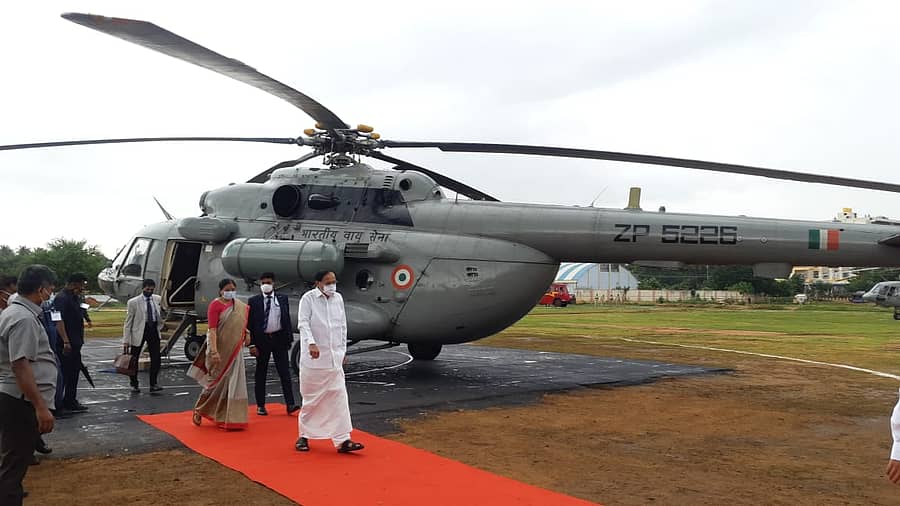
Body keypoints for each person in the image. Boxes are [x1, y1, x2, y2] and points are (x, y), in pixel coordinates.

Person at [0, 265, 58, 506]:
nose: (51, 293)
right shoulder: (23, 318)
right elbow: (20, 365)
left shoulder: (16, 312)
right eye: (50, 288)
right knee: (14, 465)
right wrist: (40, 407)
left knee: (13, 460)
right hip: (20, 400)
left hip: (16, 397)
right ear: (41, 289)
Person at [295, 271, 364, 453]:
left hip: (334, 359)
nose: (332, 285)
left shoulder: (338, 298)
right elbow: (303, 323)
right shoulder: (308, 299)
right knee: (312, 400)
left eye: (334, 282)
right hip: (314, 359)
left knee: (339, 399)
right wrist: (311, 343)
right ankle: (304, 436)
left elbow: (342, 326)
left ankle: (343, 440)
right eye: (328, 282)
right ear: (318, 283)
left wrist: (342, 350)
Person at [187, 278, 249, 430]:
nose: (230, 292)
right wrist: (214, 351)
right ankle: (199, 409)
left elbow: (241, 325)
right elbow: (212, 330)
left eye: (232, 289)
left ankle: (230, 418)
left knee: (233, 384)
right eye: (227, 290)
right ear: (220, 291)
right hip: (219, 350)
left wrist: (247, 333)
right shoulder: (215, 305)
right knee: (213, 383)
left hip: (235, 351)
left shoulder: (240, 306)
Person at [248, 272, 299, 416]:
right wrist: (251, 344)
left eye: (268, 282)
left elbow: (286, 320)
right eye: (263, 283)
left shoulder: (282, 299)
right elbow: (250, 324)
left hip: (279, 339)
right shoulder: (254, 301)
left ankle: (290, 404)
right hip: (262, 340)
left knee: (284, 372)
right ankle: (260, 405)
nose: (266, 285)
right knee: (261, 373)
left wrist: (289, 340)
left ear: (273, 283)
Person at [53, 273, 90, 413]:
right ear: (74, 283)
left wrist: (87, 318)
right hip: (66, 343)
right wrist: (65, 341)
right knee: (64, 374)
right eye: (81, 284)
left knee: (74, 373)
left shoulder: (76, 297)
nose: (82, 288)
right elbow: (58, 320)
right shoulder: (61, 298)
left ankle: (70, 400)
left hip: (76, 341)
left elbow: (82, 310)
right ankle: (58, 404)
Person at [123, 279, 165, 393]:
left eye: (152, 290)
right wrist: (126, 340)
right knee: (134, 359)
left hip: (153, 329)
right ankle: (134, 383)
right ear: (143, 288)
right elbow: (128, 322)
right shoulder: (133, 302)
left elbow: (160, 313)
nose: (149, 291)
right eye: (147, 289)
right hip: (139, 331)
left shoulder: (157, 299)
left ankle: (153, 383)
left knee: (156, 358)